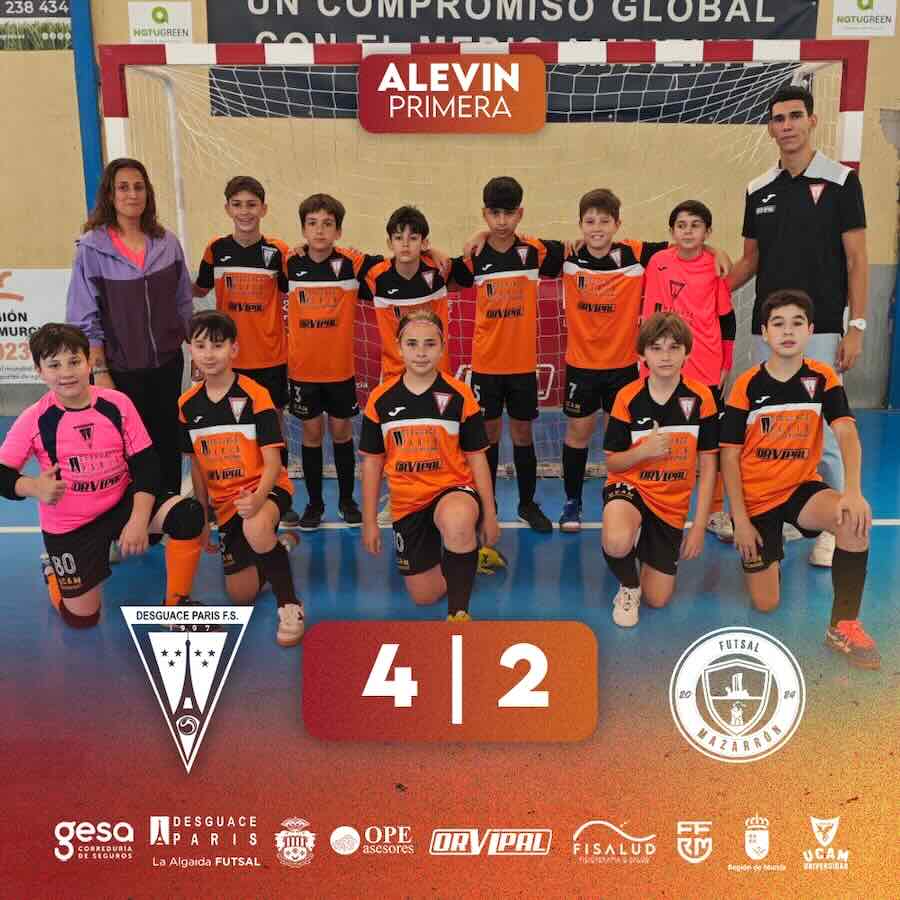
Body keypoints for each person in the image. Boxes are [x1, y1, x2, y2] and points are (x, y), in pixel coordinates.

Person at [728, 85, 868, 567]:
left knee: (824, 432)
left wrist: (857, 325)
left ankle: (832, 525)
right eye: (778, 118)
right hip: (766, 329)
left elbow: (857, 258)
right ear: (770, 128)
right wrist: (700, 289)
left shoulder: (841, 181)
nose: (786, 125)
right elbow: (750, 261)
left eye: (794, 116)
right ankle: (779, 512)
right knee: (769, 427)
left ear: (811, 121)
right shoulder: (757, 189)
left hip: (822, 326)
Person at [0, 324, 205, 628]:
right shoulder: (35, 418)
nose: (66, 373)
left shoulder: (116, 403)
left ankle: (176, 605)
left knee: (187, 514)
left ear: (89, 363)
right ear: (40, 371)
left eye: (74, 361)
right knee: (82, 619)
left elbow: (146, 463)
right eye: (54, 365)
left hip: (120, 503)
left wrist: (138, 520)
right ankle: (54, 573)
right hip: (71, 525)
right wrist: (33, 487)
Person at [720, 290, 880, 670]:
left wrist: (853, 492)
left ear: (810, 330)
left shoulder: (822, 377)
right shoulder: (747, 385)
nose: (788, 331)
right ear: (764, 332)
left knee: (854, 519)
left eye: (797, 323)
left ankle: (842, 625)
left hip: (800, 490)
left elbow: (846, 433)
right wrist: (740, 520)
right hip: (757, 500)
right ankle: (770, 553)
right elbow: (729, 456)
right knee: (766, 603)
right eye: (778, 324)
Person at [360, 310, 500, 622]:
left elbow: (477, 458)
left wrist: (490, 515)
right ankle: (467, 556)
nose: (421, 352)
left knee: (458, 522)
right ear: (399, 348)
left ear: (442, 348)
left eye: (429, 343)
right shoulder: (380, 399)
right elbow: (372, 464)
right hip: (407, 503)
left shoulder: (459, 394)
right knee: (424, 596)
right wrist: (369, 521)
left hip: (452, 489)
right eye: (412, 344)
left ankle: (458, 612)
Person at [66, 157, 193, 497]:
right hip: (120, 368)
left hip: (167, 364)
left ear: (148, 193)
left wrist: (194, 350)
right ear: (110, 195)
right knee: (128, 445)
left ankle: (168, 508)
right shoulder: (91, 249)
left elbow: (183, 302)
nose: (132, 194)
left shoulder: (167, 243)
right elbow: (84, 318)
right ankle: (133, 513)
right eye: (123, 187)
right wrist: (100, 371)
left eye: (139, 187)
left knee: (166, 439)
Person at [179, 311, 305, 647]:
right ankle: (279, 547)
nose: (209, 354)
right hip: (225, 504)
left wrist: (258, 497)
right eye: (201, 345)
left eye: (218, 345)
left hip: (267, 488)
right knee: (241, 594)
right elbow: (197, 467)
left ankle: (290, 605)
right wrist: (203, 516)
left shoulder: (255, 394)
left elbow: (274, 462)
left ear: (234, 349)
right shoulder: (187, 405)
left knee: (255, 524)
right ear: (191, 350)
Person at [449, 176, 564, 533]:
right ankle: (488, 505)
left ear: (520, 213)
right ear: (485, 214)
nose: (502, 221)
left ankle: (527, 504)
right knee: (488, 436)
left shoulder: (535, 251)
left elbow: (579, 248)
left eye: (509, 214)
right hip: (486, 365)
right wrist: (473, 239)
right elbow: (441, 272)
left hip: (522, 366)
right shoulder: (474, 256)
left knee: (523, 435)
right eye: (495, 214)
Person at [555, 188, 670, 532]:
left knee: (618, 435)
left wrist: (714, 249)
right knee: (578, 432)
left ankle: (620, 496)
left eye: (604, 221)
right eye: (590, 221)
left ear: (617, 224)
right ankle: (572, 501)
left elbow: (681, 245)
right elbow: (512, 242)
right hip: (581, 366)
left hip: (623, 367)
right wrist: (479, 236)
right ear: (580, 224)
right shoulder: (566, 256)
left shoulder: (634, 254)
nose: (597, 228)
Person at [193, 175, 299, 526]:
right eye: (237, 204)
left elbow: (300, 280)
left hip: (270, 356)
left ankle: (278, 493)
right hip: (227, 359)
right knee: (227, 430)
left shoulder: (278, 252)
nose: (245, 211)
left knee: (273, 428)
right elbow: (197, 290)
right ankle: (224, 496)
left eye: (252, 205)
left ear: (263, 209)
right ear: (227, 208)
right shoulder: (215, 249)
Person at [601, 313, 719, 628]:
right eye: (656, 348)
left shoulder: (702, 398)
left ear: (687, 353)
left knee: (658, 598)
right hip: (631, 488)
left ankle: (642, 540)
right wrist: (643, 452)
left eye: (673, 347)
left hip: (671, 504)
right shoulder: (627, 397)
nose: (665, 356)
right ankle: (628, 586)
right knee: (616, 541)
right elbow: (612, 463)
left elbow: (709, 466)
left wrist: (698, 526)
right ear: (642, 355)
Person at [284, 193, 381, 531]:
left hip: (340, 370)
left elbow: (392, 261)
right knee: (311, 434)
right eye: (312, 224)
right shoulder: (289, 264)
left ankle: (346, 500)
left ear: (338, 231)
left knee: (341, 432)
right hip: (303, 371)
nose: (319, 230)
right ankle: (314, 504)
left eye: (327, 224)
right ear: (303, 229)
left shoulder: (352, 264)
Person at [642, 199, 735, 542]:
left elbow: (727, 319)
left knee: (710, 443)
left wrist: (726, 363)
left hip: (706, 365)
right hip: (662, 365)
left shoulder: (715, 266)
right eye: (681, 225)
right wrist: (644, 358)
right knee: (658, 438)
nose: (688, 231)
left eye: (696, 225)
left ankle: (714, 511)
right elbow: (648, 312)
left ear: (707, 232)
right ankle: (652, 504)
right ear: (671, 231)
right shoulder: (658, 262)